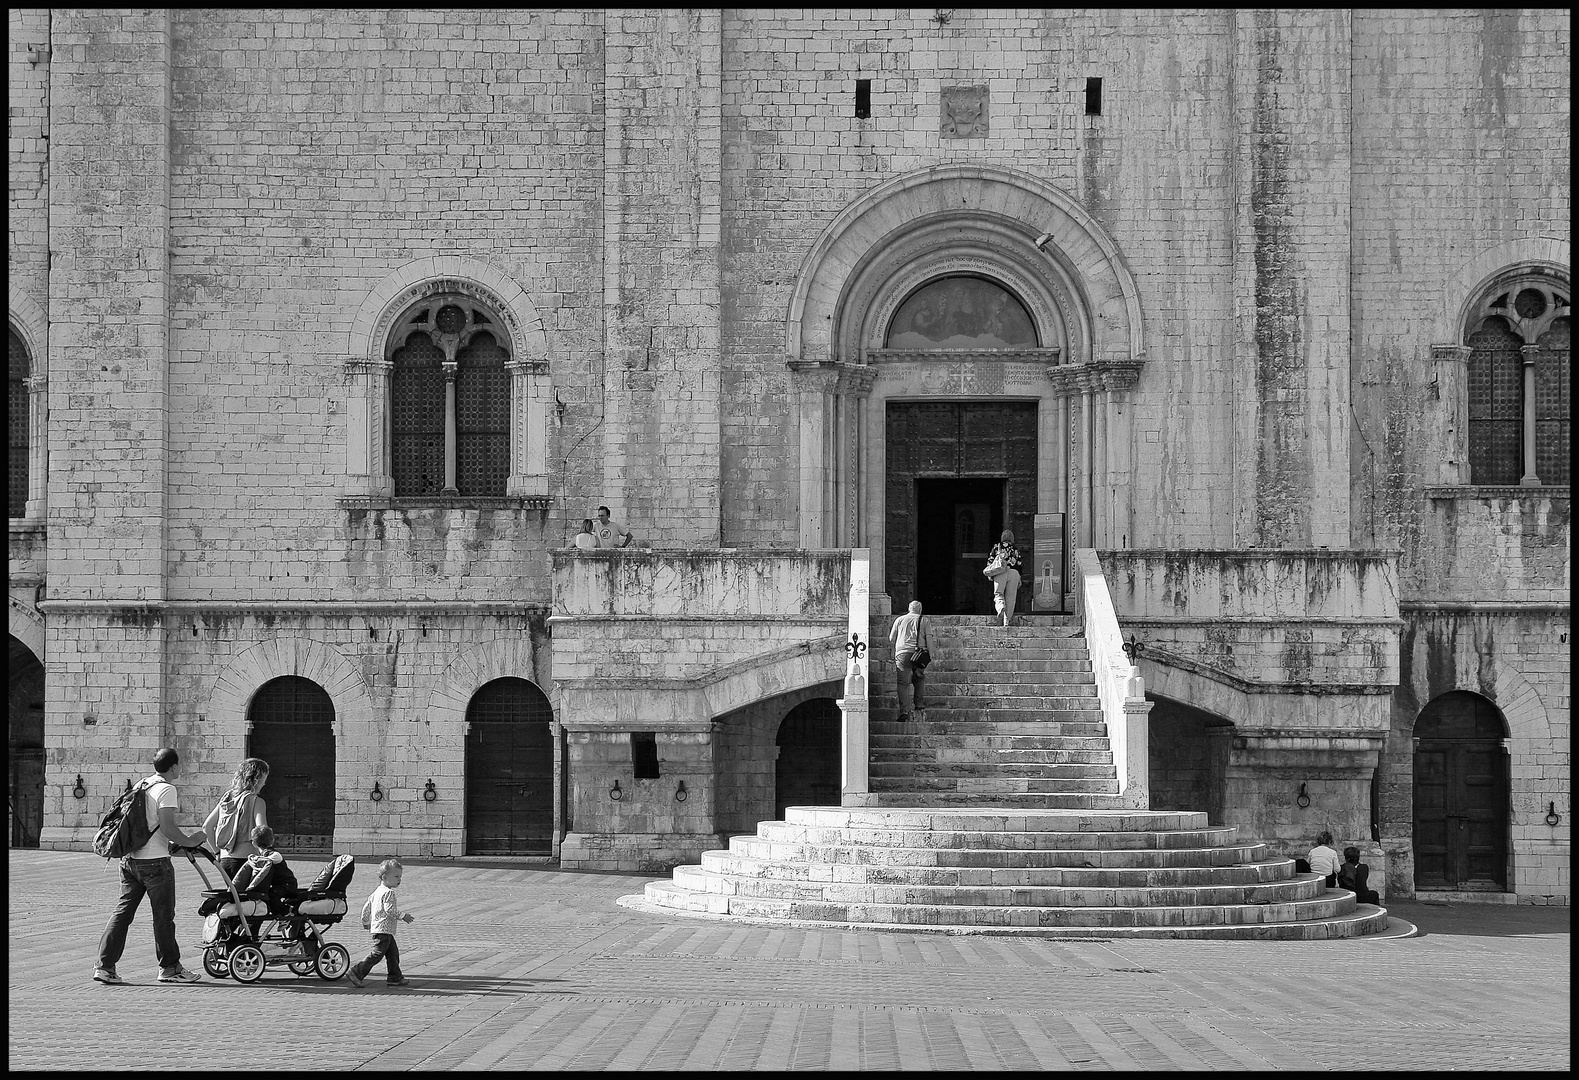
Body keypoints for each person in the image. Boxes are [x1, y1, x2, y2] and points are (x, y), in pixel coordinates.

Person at [94, 747, 209, 985]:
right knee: (163, 917)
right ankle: (170, 968)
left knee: (122, 913)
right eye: (180, 765)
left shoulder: (141, 785)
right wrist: (191, 840)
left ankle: (105, 966)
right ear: (174, 767)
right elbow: (167, 828)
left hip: (129, 861)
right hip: (155, 862)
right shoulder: (167, 789)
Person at [347, 857, 416, 988]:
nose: (399, 879)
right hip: (384, 929)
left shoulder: (377, 891)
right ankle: (356, 972)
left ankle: (395, 977)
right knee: (377, 954)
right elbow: (389, 909)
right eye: (396, 876)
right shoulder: (389, 892)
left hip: (380, 929)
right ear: (384, 877)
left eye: (400, 876)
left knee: (393, 954)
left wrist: (366, 921)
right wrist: (403, 916)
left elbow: (367, 907)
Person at [203, 757, 271, 883]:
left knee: (234, 899)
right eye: (264, 780)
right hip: (246, 861)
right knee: (252, 900)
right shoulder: (257, 801)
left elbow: (207, 827)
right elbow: (262, 831)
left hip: (225, 860)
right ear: (257, 779)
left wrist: (217, 852)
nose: (264, 784)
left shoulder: (226, 799)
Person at [887, 600, 930, 724]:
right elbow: (929, 638)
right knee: (919, 678)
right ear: (920, 610)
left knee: (903, 683)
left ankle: (904, 711)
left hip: (902, 654)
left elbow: (891, 638)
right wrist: (930, 654)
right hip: (919, 654)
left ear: (909, 608)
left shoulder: (899, 620)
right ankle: (919, 704)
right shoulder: (924, 620)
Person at [235, 825, 298, 903]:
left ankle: (286, 912)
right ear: (273, 840)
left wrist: (254, 859)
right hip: (281, 885)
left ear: (253, 843)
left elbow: (268, 860)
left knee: (271, 895)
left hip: (287, 885)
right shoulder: (264, 856)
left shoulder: (274, 854)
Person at [986, 529, 1024, 627]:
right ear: (1012, 538)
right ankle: (1007, 621)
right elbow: (1019, 564)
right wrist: (1019, 578)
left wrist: (990, 575)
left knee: (999, 593)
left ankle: (1000, 607)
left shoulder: (996, 547)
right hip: (1014, 573)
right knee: (1011, 599)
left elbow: (990, 561)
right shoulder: (1015, 549)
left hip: (1000, 571)